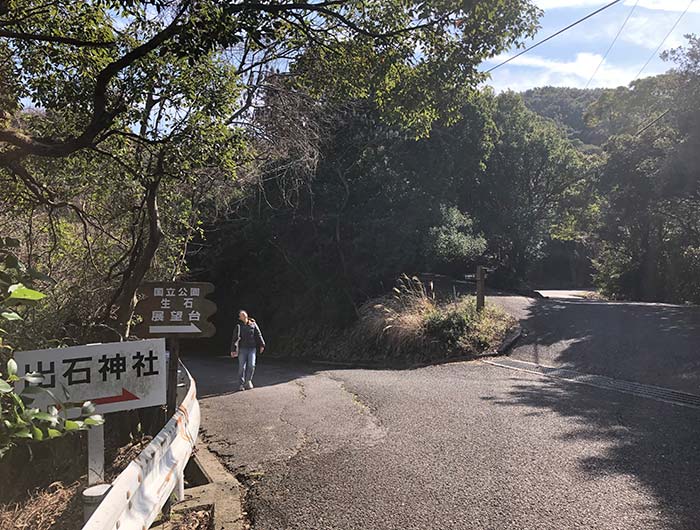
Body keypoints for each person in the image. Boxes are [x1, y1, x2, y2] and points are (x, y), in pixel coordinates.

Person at [230, 309, 265, 390]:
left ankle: (248, 381)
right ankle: (240, 384)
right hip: (242, 349)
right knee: (242, 367)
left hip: (252, 348)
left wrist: (262, 344)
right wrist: (233, 350)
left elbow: (258, 334)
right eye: (241, 314)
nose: (243, 314)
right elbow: (234, 338)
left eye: (244, 313)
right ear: (240, 318)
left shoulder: (253, 324)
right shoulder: (239, 326)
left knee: (251, 365)